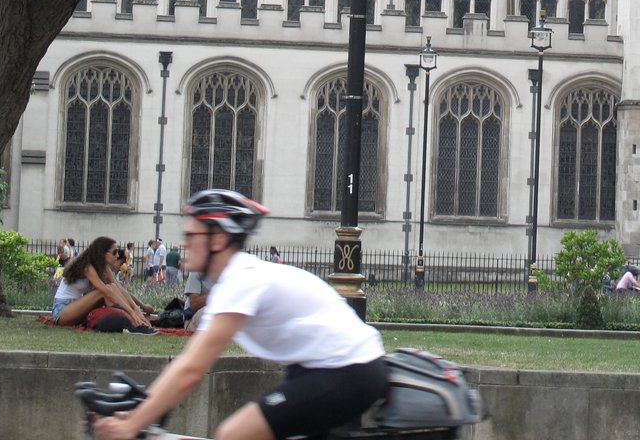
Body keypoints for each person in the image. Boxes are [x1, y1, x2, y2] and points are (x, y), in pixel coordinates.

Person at [90, 188, 388, 440]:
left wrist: (132, 424)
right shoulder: (234, 280)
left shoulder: (241, 280)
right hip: (324, 367)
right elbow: (187, 365)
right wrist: (145, 407)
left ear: (218, 240)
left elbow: (192, 369)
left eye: (192, 235)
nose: (184, 244)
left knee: (234, 433)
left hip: (348, 369)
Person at [51, 236, 153, 331]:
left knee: (111, 287)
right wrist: (132, 312)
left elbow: (120, 290)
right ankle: (134, 323)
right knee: (104, 290)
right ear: (102, 253)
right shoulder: (87, 267)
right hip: (62, 311)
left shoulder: (103, 268)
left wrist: (138, 308)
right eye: (115, 252)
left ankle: (134, 323)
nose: (117, 256)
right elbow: (106, 292)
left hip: (77, 308)